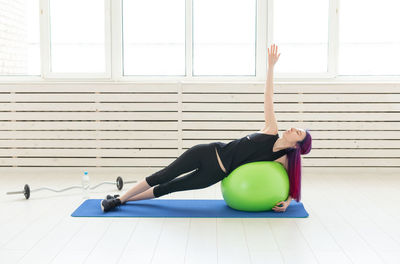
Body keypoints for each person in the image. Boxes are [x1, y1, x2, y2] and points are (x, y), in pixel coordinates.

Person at [101, 44, 312, 213]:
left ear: (298, 144)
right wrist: (271, 67)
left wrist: (287, 202)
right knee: (163, 175)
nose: (293, 128)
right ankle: (119, 200)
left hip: (213, 175)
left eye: (298, 132)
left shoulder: (283, 158)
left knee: (169, 187)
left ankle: (121, 201)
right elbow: (268, 97)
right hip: (207, 152)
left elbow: (294, 181)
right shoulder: (271, 128)